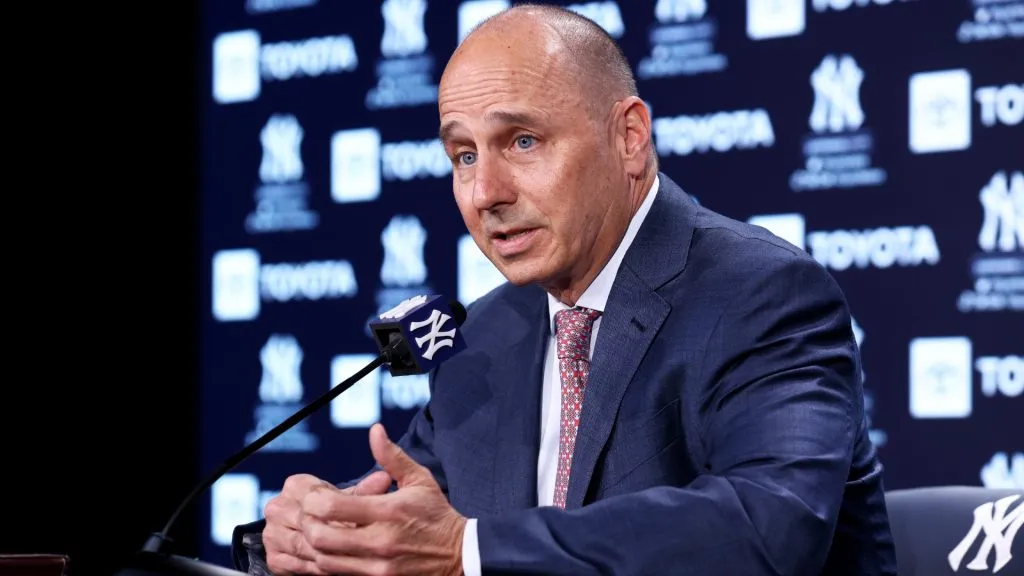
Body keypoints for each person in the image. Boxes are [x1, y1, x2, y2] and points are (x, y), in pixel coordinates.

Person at [231, 4, 898, 575]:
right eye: (464, 155)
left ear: (628, 137)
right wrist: (310, 535)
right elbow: (411, 518)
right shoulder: (485, 335)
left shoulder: (761, 293)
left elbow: (770, 527)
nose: (485, 193)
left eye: (522, 141)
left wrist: (468, 552)